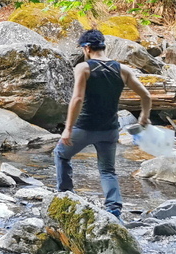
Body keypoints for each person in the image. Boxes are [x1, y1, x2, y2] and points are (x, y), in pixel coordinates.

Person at [55, 29, 153, 220]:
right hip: (109, 130)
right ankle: (114, 208)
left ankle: (65, 194)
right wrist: (144, 116)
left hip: (84, 128)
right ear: (103, 46)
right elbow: (146, 95)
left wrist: (67, 129)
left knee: (60, 154)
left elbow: (77, 99)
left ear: (87, 48)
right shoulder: (123, 70)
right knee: (108, 170)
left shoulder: (83, 68)